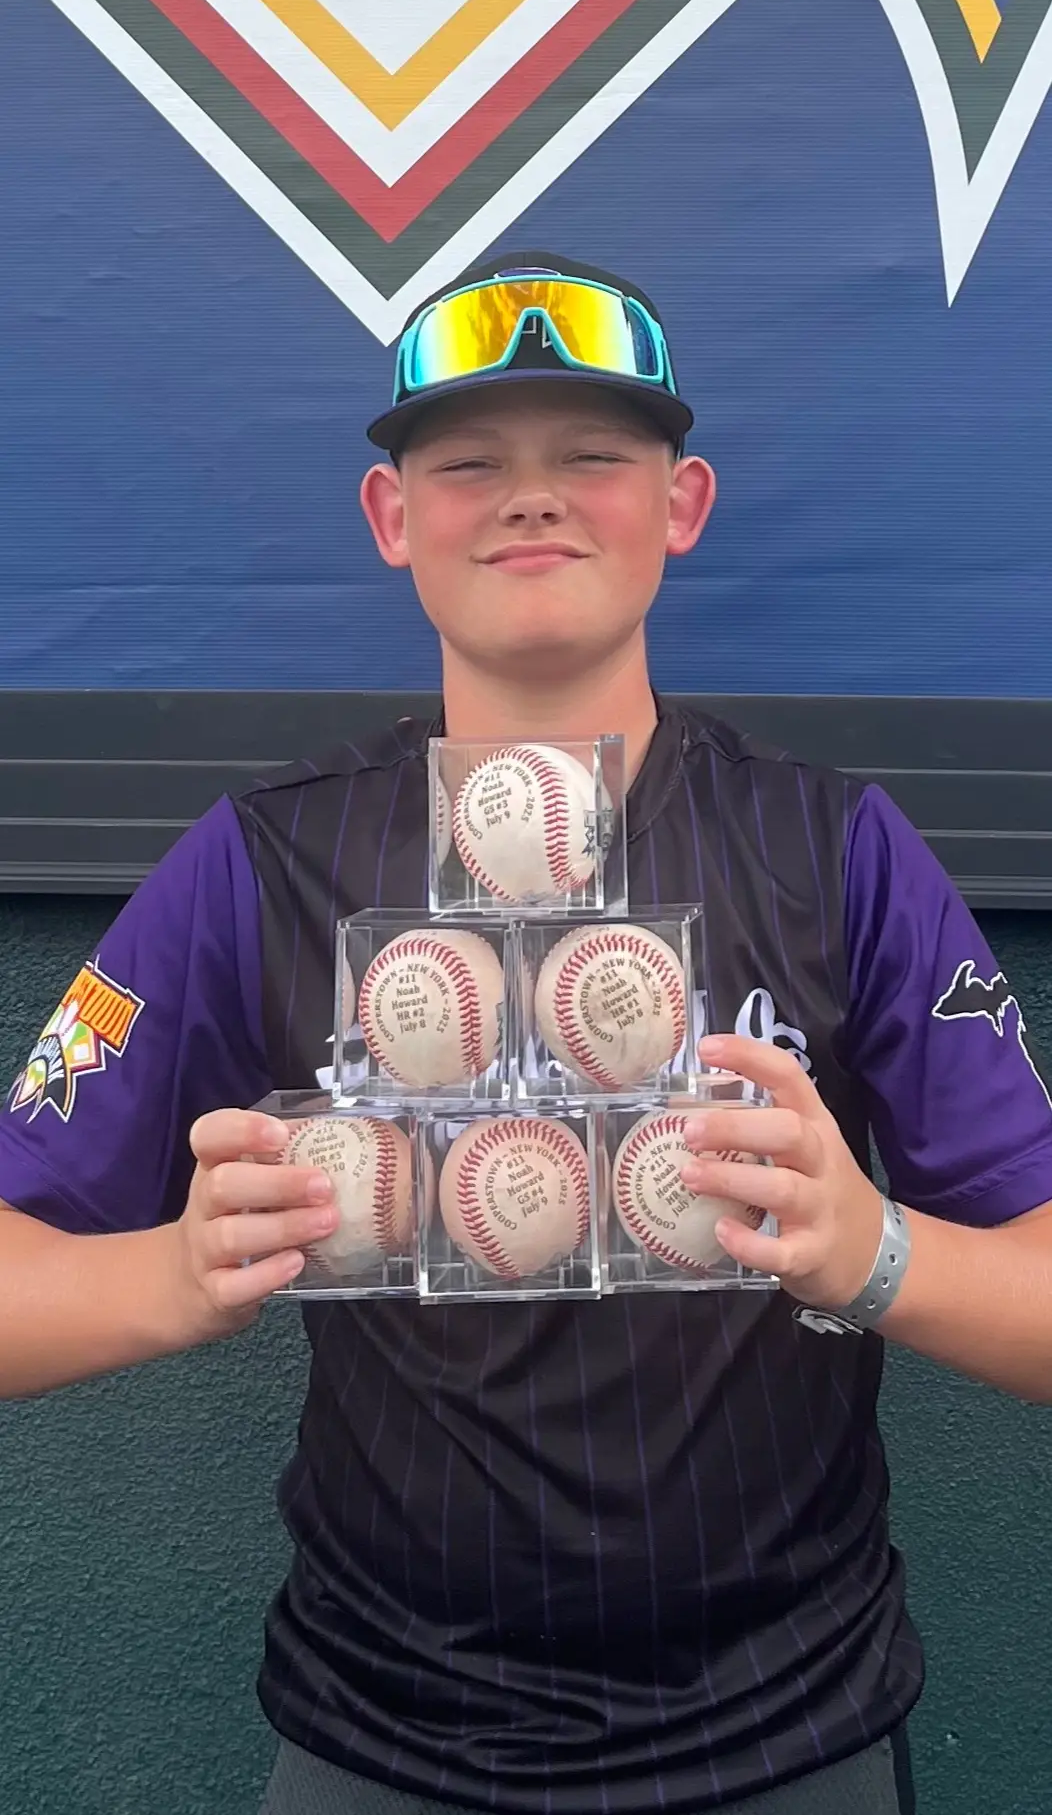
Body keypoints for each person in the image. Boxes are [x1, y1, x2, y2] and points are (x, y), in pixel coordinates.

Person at [2, 253, 1051, 1815]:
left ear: (682, 503)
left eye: (594, 455)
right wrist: (166, 1279)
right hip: (384, 1735)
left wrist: (876, 1254)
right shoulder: (262, 860)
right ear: (392, 517)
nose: (532, 498)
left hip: (790, 1728)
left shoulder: (835, 848)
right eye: (470, 463)